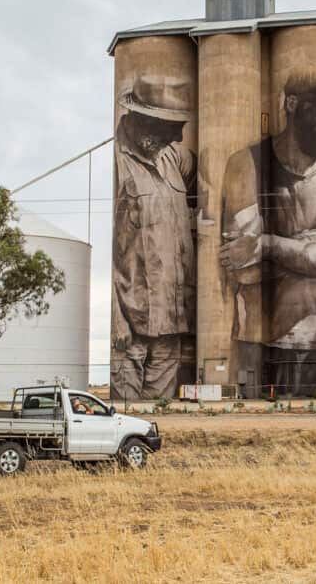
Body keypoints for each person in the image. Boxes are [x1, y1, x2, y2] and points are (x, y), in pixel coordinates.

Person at [219, 74, 316, 397]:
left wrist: (269, 244)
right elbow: (246, 269)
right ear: (292, 105)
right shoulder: (248, 165)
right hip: (263, 343)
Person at [110, 76, 197, 401]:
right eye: (171, 126)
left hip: (171, 319)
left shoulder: (170, 157)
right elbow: (109, 250)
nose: (178, 136)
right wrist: (116, 319)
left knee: (159, 417)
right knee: (124, 415)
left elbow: (208, 173)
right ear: (143, 119)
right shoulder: (117, 164)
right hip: (131, 326)